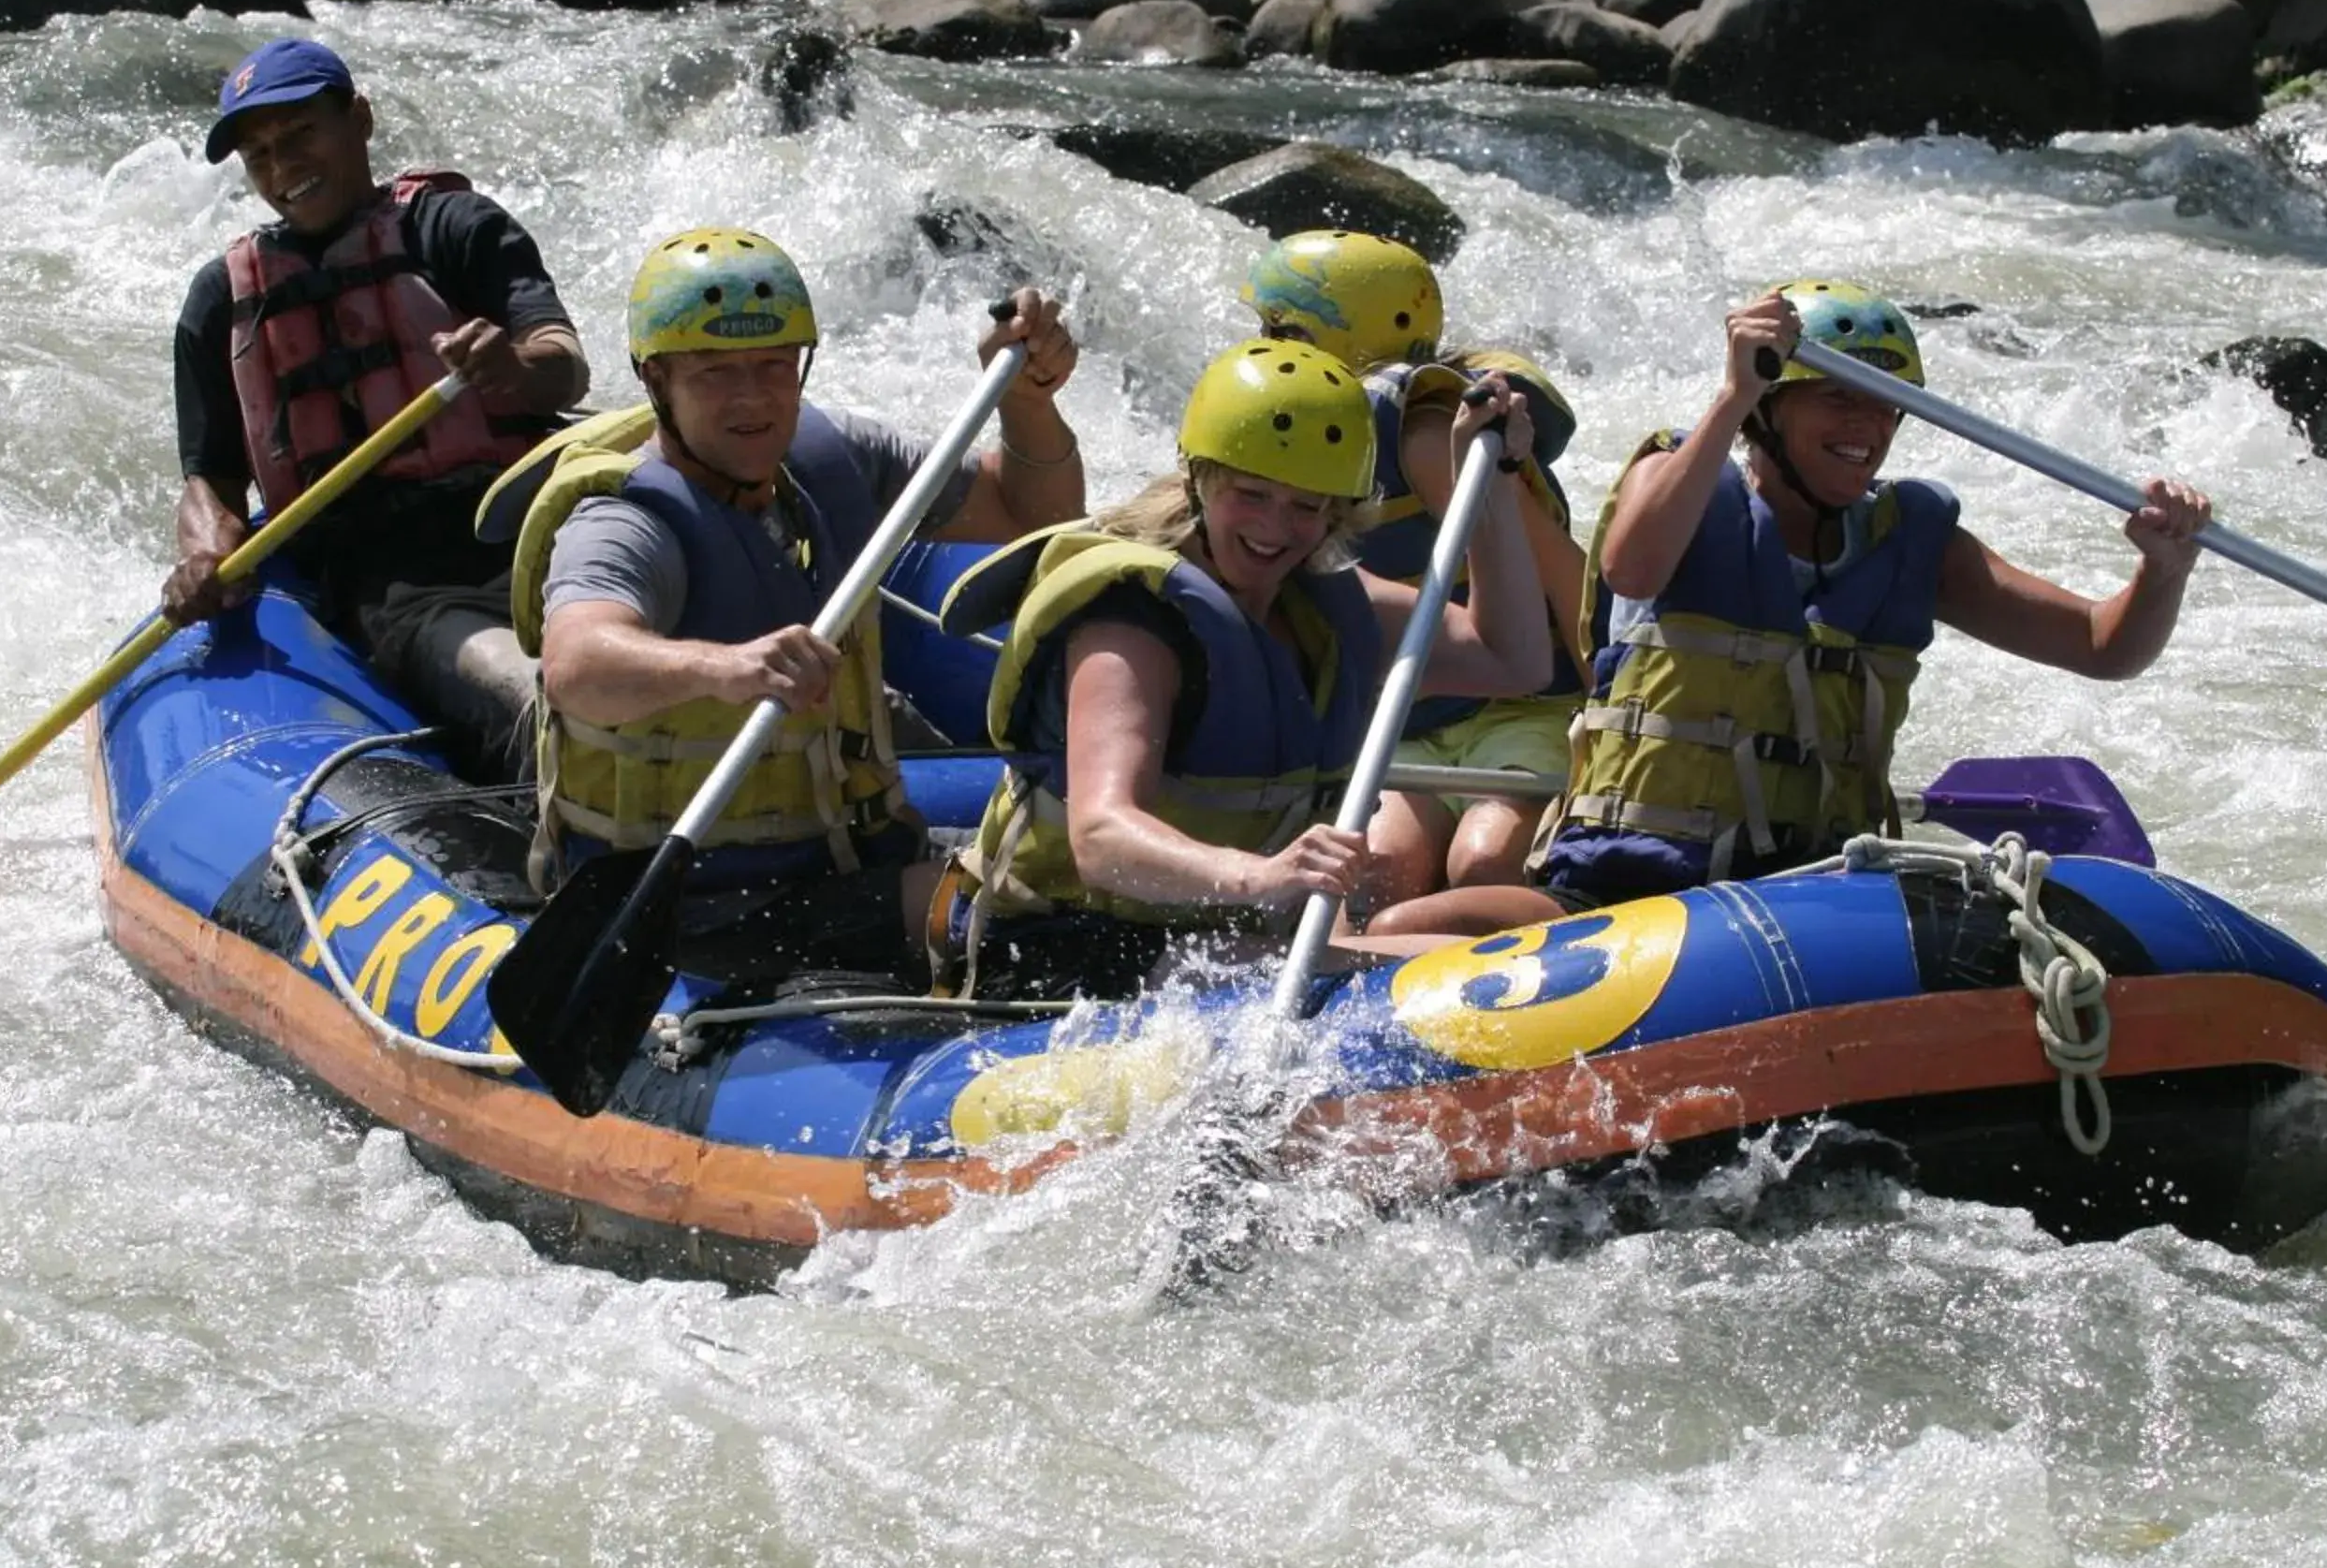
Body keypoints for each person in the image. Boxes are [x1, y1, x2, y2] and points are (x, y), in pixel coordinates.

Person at [1372, 281, 2212, 937]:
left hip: (1817, 891)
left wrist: (2164, 570)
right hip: (1620, 893)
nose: (1869, 425)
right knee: (1409, 928)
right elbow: (1631, 567)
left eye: (1887, 404)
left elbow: (2103, 648)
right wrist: (1733, 393)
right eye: (1840, 398)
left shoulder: (1914, 539)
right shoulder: (1684, 484)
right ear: (1773, 409)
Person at [510, 227, 1085, 986]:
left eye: (775, 365)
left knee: (1087, 872)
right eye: (715, 373)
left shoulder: (828, 455)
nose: (753, 398)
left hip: (843, 857)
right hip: (702, 909)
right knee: (1038, 927)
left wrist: (1027, 402)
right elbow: (577, 664)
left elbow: (1027, 508)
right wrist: (726, 667)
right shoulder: (626, 520)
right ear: (656, 381)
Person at [933, 336, 1554, 1001]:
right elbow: (1102, 838)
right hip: (1064, 946)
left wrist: (1486, 484)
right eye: (1251, 495)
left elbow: (1511, 659)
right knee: (1419, 979)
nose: (1275, 528)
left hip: (1208, 940)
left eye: (1306, 507)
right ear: (1202, 479)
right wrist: (1262, 876)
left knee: (1473, 966)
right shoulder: (1132, 625)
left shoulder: (1322, 604)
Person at [162, 37, 589, 777]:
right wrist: (206, 553)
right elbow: (212, 479)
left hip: (536, 530)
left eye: (301, 134)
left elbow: (565, 367)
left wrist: (511, 371)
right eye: (260, 155)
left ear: (359, 119)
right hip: (394, 581)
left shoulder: (453, 227)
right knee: (539, 699)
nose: (283, 167)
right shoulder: (221, 301)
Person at [1242, 229, 1595, 897]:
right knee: (1378, 874)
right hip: (1412, 719)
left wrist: (1609, 700)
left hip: (1516, 711)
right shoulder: (1300, 438)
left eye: (1281, 331)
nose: (1262, 349)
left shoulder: (1425, 437)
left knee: (1483, 864)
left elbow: (1554, 568)